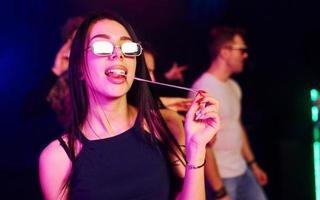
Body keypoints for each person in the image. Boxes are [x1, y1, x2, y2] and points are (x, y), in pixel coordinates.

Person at [39, 12, 220, 200]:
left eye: (127, 47)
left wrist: (196, 150)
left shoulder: (165, 124)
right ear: (79, 68)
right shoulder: (57, 159)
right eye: (102, 46)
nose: (119, 53)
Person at [189, 27, 268, 200]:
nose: (245, 55)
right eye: (241, 50)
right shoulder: (203, 89)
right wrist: (219, 190)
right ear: (224, 52)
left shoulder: (234, 87)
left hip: (242, 170)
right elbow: (203, 144)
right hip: (222, 177)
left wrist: (253, 164)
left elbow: (236, 125)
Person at [21, 16, 84, 129]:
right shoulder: (62, 86)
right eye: (72, 43)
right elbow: (28, 110)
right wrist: (56, 71)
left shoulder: (104, 78)